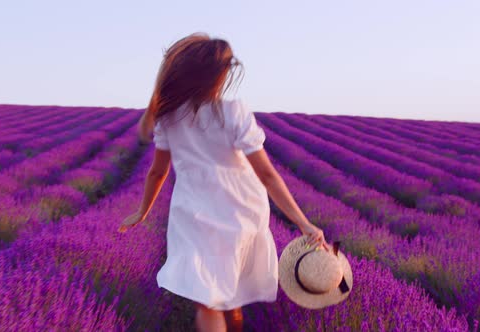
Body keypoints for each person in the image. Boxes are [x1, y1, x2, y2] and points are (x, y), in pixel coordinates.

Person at [119, 32, 329, 332]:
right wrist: (303, 222)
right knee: (232, 296)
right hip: (242, 212)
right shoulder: (233, 112)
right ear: (219, 77)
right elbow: (267, 175)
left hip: (194, 214)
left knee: (207, 300)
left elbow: (157, 172)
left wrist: (143, 211)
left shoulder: (168, 118)